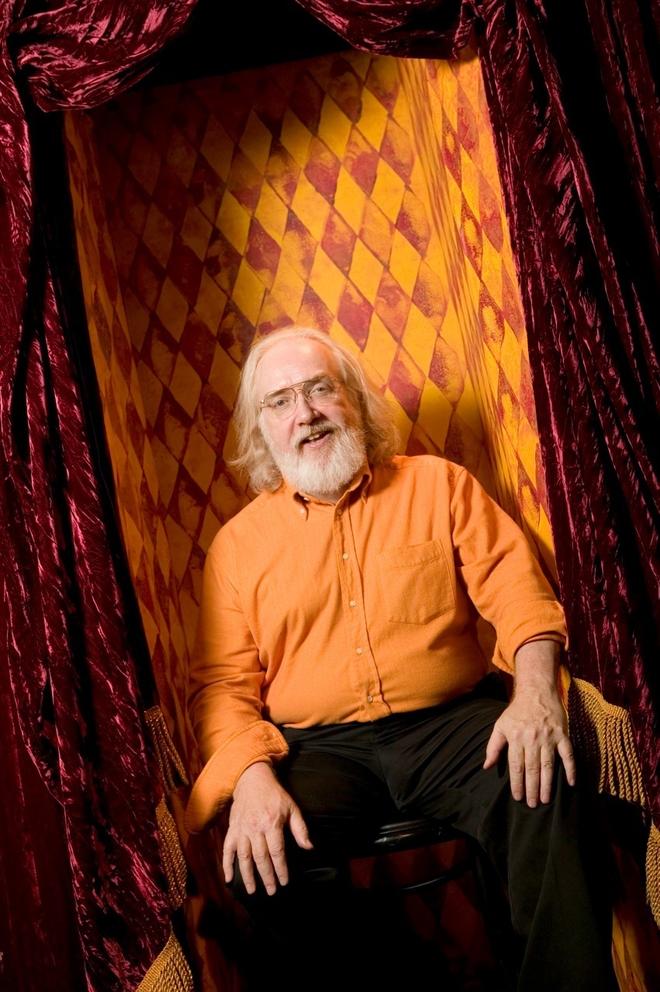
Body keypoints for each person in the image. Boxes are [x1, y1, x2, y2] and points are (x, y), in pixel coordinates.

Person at [185, 326, 616, 991]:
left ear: (353, 399)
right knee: (259, 860)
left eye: (320, 388)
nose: (305, 414)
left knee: (543, 784)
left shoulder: (440, 486)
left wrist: (534, 698)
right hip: (316, 751)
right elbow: (221, 689)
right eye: (281, 401)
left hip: (450, 725)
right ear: (261, 430)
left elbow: (522, 599)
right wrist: (250, 779)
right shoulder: (238, 548)